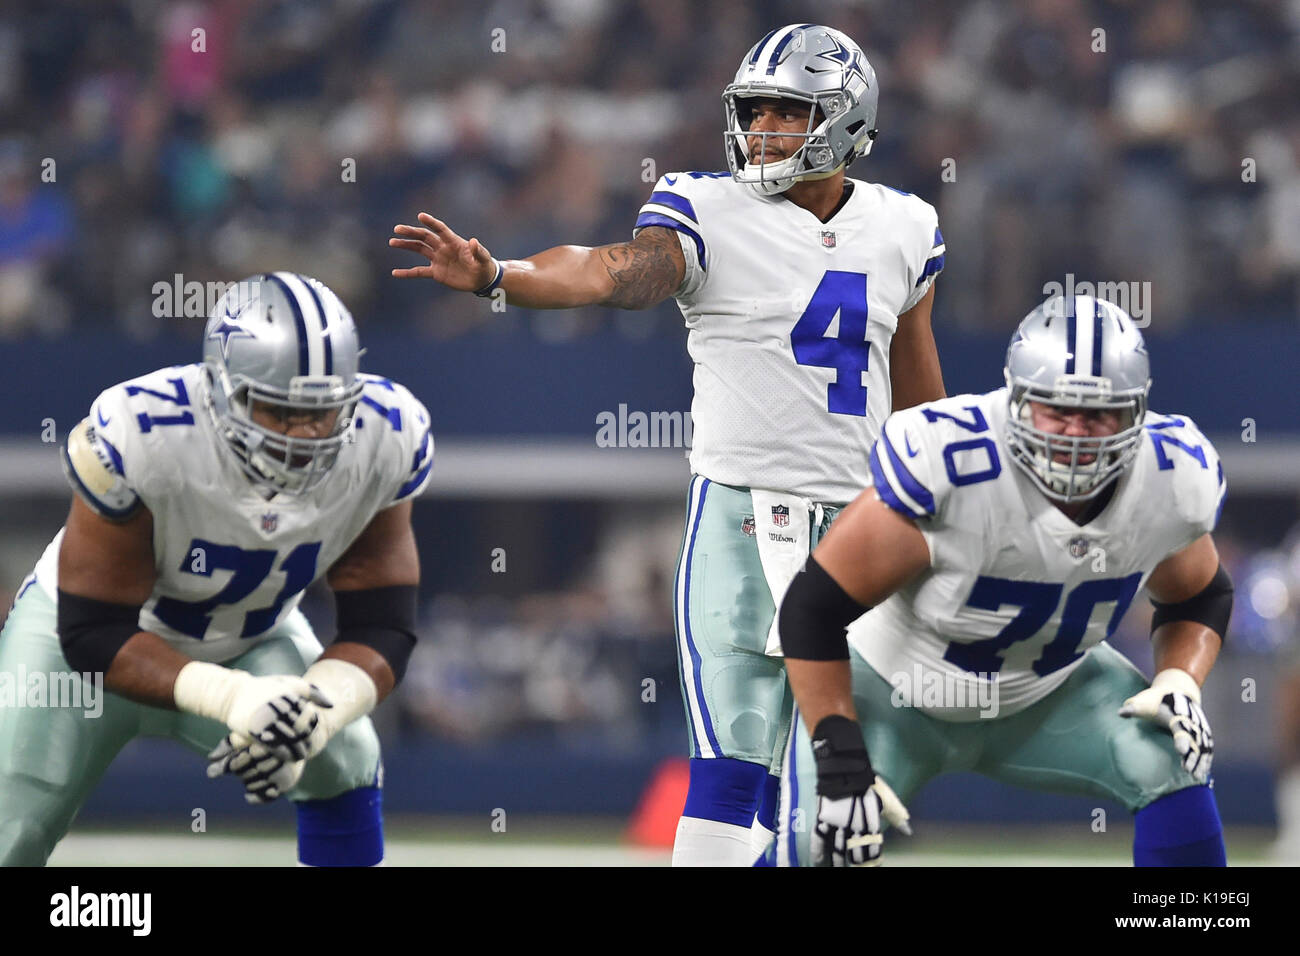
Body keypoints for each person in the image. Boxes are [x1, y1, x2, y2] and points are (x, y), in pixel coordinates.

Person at [389, 23, 947, 866]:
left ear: (844, 120)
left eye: (785, 113)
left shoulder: (904, 227)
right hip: (740, 521)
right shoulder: (707, 208)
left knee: (838, 807)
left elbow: (919, 399)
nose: (760, 130)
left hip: (862, 530)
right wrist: (505, 276)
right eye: (753, 111)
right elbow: (611, 268)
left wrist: (946, 511)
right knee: (729, 782)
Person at [776, 294, 1231, 866]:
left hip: (1051, 694)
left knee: (1173, 759)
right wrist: (840, 754)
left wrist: (1179, 680)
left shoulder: (1169, 480)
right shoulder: (951, 464)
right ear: (1016, 401)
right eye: (1056, 410)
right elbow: (812, 609)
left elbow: (1200, 595)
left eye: (1099, 415)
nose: (1075, 435)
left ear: (1136, 414)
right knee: (825, 839)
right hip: (893, 693)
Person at [0, 273, 434, 866]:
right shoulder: (144, 432)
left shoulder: (385, 434)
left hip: (248, 637)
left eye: (323, 413)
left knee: (345, 755)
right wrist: (234, 699)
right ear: (222, 390)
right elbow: (92, 632)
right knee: (11, 821)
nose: (304, 436)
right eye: (279, 411)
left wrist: (316, 706)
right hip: (82, 655)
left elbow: (383, 624)